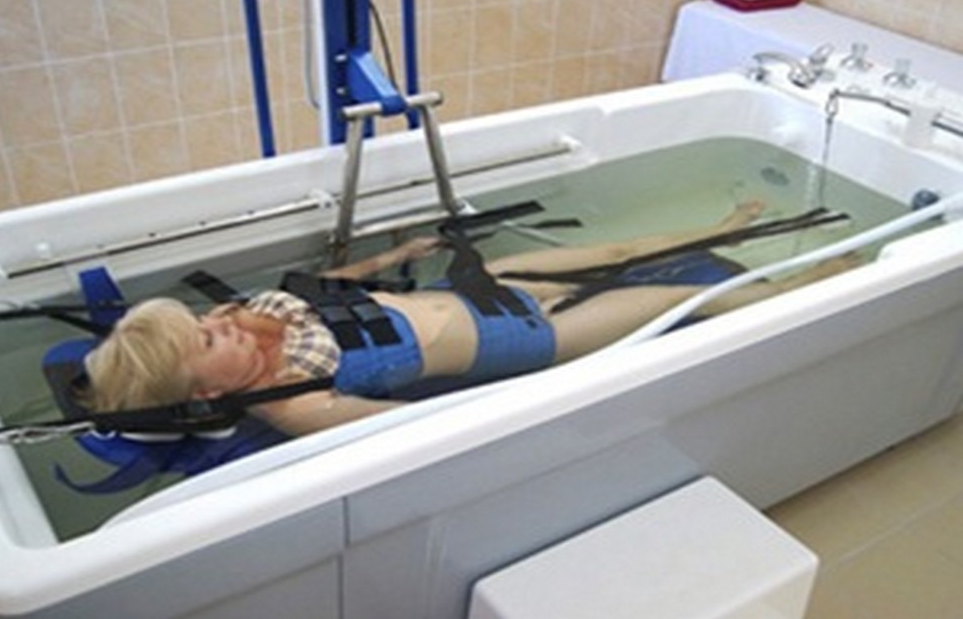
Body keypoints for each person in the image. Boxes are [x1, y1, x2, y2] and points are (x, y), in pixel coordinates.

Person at [83, 201, 858, 436]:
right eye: (204, 342)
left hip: (493, 286)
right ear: (208, 392)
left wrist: (397, 255)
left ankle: (724, 224)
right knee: (679, 300)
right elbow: (403, 425)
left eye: (201, 321)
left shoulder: (251, 316)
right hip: (524, 338)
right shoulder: (296, 401)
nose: (217, 324)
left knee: (626, 248)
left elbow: (327, 285)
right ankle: (817, 285)